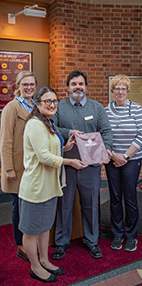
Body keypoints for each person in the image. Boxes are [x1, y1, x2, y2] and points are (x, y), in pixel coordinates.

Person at [18, 87, 86, 283]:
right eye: (47, 101)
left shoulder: (48, 122)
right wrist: (71, 162)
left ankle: (45, 260)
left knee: (45, 227)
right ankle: (35, 267)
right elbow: (43, 156)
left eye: (54, 100)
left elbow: (51, 150)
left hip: (50, 186)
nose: (52, 104)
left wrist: (66, 148)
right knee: (31, 231)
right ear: (37, 104)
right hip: (36, 187)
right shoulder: (34, 124)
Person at [52, 70, 112, 260]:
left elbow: (106, 130)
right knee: (65, 205)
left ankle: (91, 240)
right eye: (74, 84)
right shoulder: (59, 107)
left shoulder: (97, 108)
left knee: (90, 205)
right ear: (68, 87)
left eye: (81, 84)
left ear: (86, 87)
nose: (78, 87)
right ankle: (61, 242)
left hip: (91, 166)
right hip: (67, 165)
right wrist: (70, 132)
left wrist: (107, 149)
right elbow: (52, 127)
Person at [105, 75, 142, 252]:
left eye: (123, 88)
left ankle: (130, 235)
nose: (120, 92)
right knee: (115, 197)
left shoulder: (136, 109)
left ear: (127, 91)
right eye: (117, 88)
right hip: (111, 159)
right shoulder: (105, 111)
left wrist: (126, 157)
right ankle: (117, 232)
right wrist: (114, 156)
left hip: (131, 160)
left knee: (129, 197)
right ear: (112, 91)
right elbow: (103, 135)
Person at [0, 71, 37, 262]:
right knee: (19, 207)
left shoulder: (36, 106)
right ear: (18, 86)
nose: (29, 87)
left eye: (32, 84)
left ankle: (30, 241)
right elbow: (5, 140)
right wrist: (8, 168)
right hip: (17, 167)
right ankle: (21, 245)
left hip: (33, 166)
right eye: (25, 84)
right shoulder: (12, 108)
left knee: (29, 206)